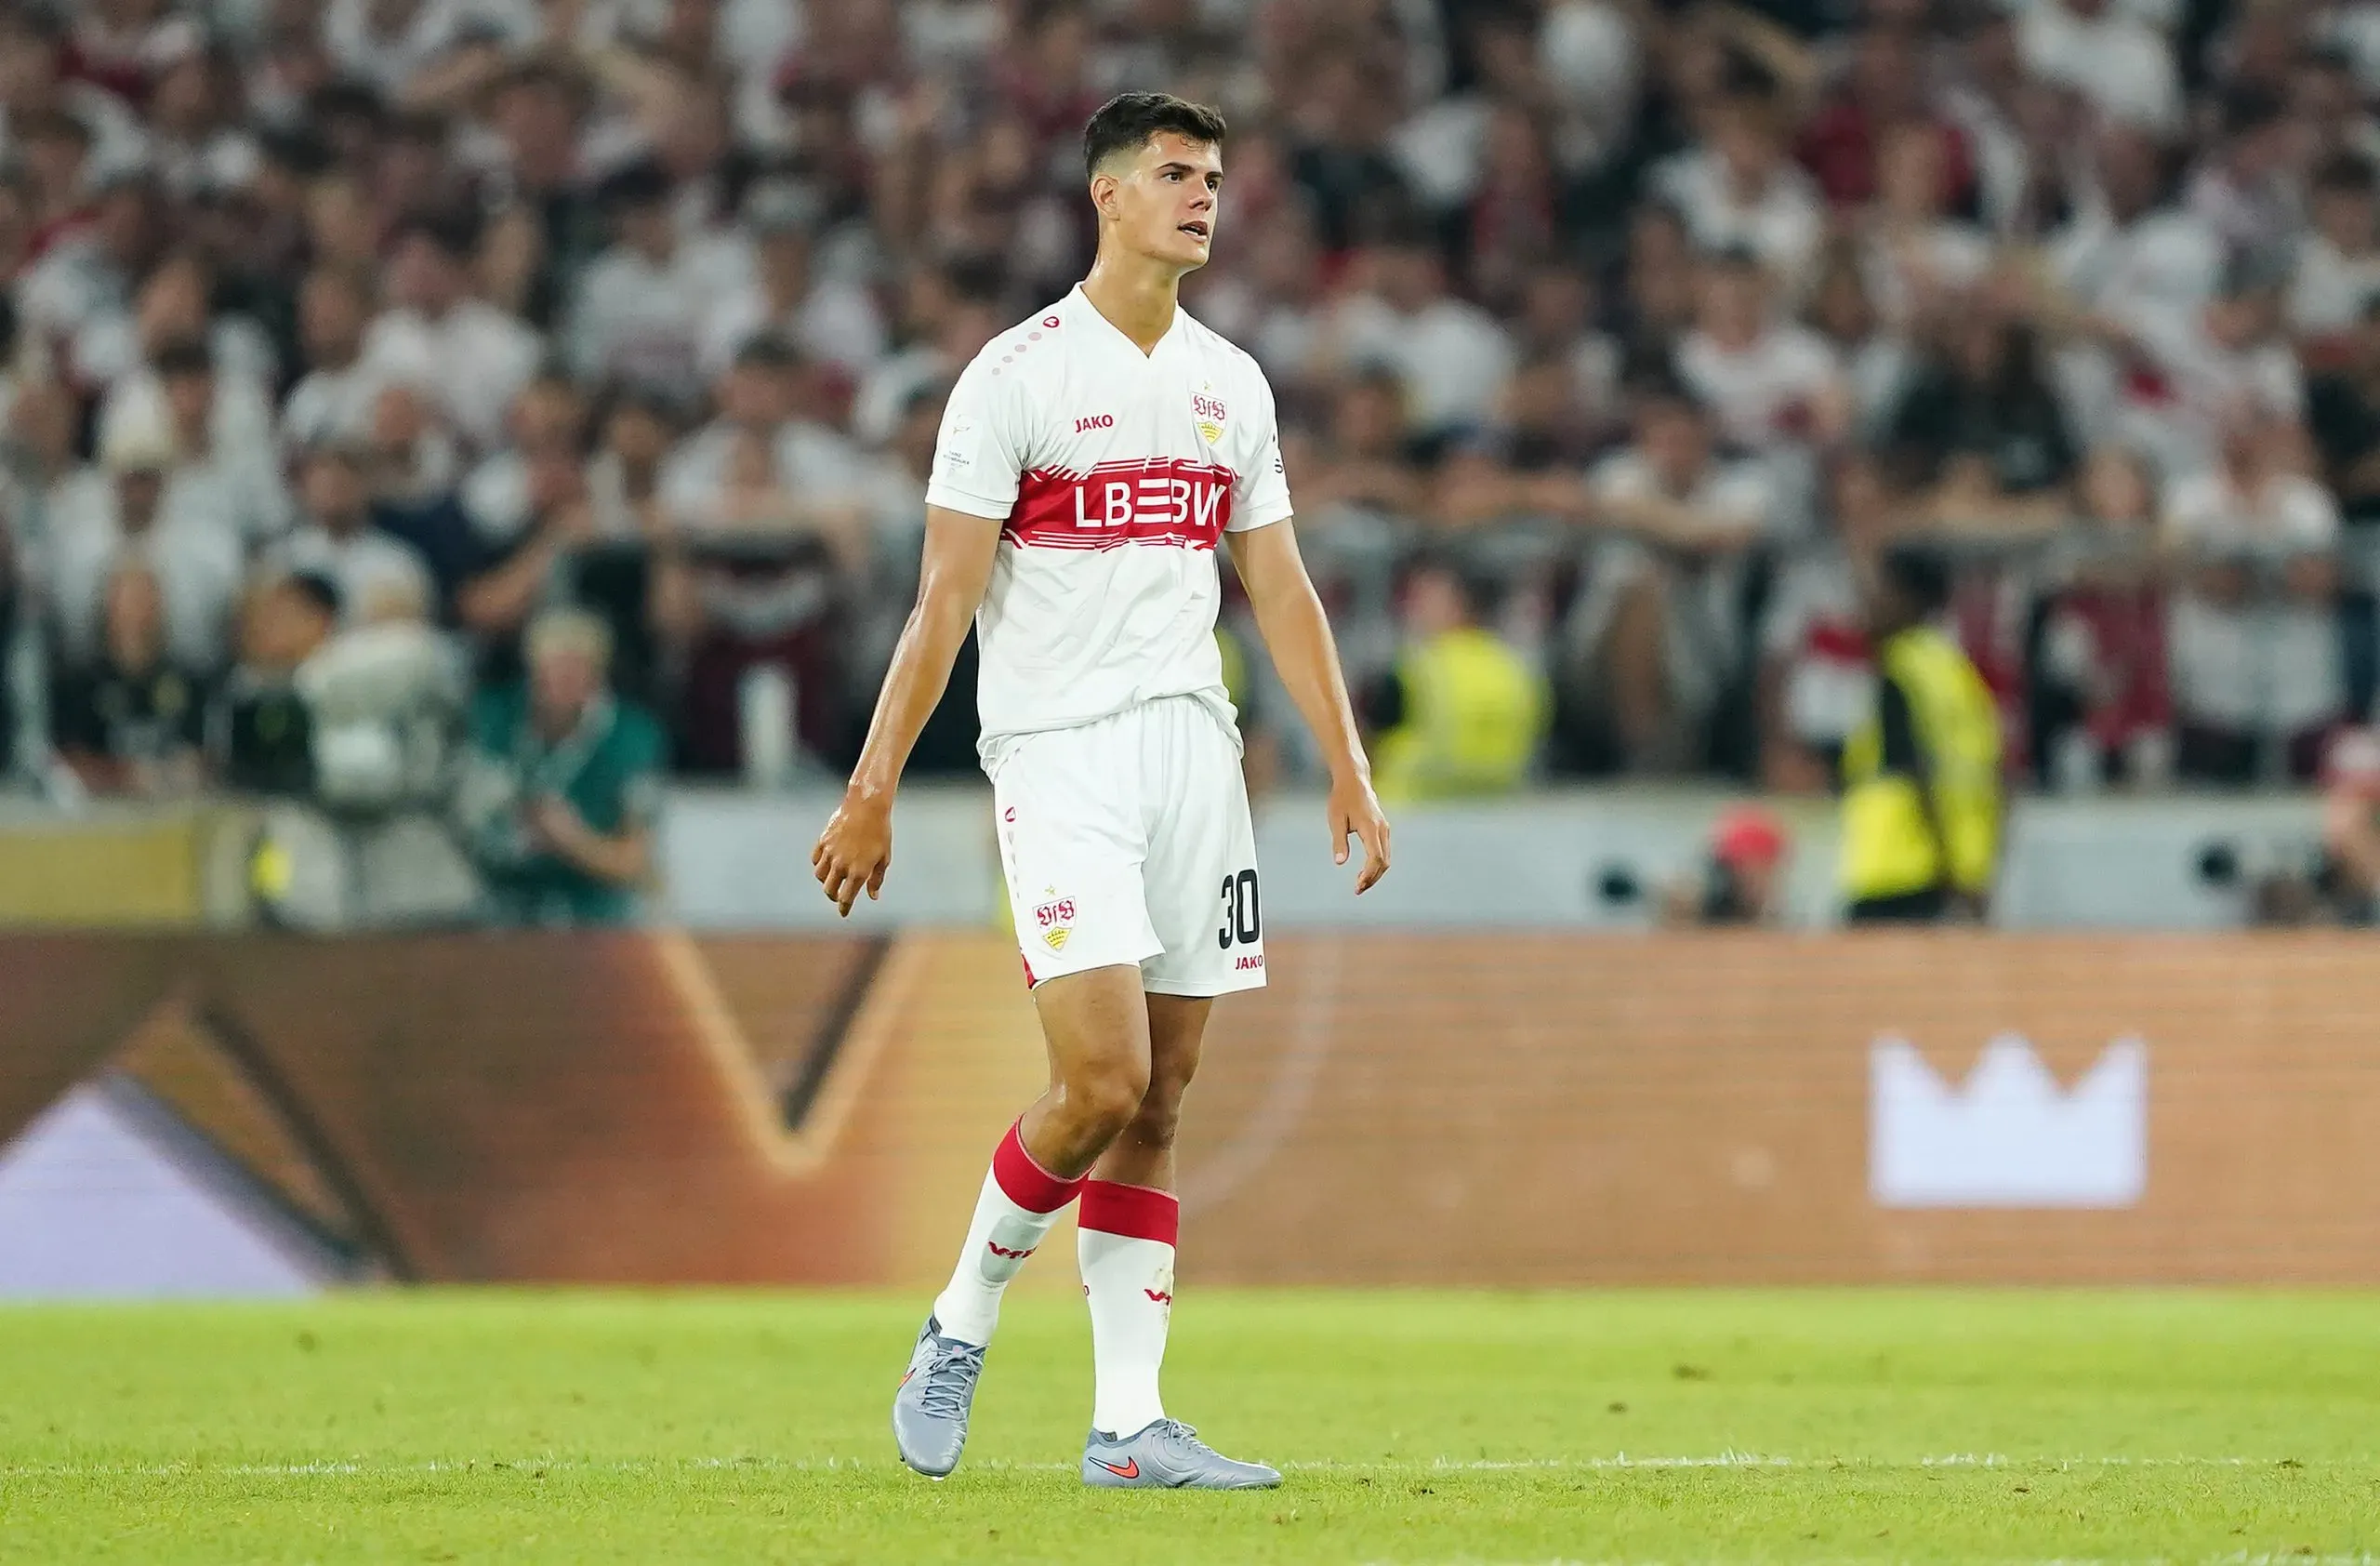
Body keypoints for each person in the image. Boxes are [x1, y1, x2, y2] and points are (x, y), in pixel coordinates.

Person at [810, 93, 1389, 1491]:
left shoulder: (1230, 382)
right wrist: (872, 784)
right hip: (1060, 751)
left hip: (1195, 746)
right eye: (1177, 175)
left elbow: (1282, 589)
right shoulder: (1013, 377)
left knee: (1165, 1091)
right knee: (1099, 1076)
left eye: (1214, 177)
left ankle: (1129, 1426)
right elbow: (942, 600)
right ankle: (960, 1321)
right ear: (1108, 198)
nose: (1203, 196)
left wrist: (1347, 759)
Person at [456, 607, 665, 926]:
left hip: (592, 917)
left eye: (574, 670)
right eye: (550, 669)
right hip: (499, 911)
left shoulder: (632, 737)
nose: (560, 682)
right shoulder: (491, 719)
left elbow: (635, 861)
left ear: (598, 675)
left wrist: (572, 840)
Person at [1838, 542, 2003, 922]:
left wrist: (1947, 866)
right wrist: (1970, 874)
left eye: (1882, 588)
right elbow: (1995, 773)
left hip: (1892, 866)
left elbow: (1915, 770)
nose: (1869, 600)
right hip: (1957, 868)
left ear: (1909, 599)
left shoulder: (1899, 670)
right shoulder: (1957, 672)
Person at [1366, 554, 1546, 801]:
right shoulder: (1517, 670)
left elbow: (1367, 743)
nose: (1413, 611)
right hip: (1497, 811)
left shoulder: (1416, 669)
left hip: (1410, 808)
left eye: (1424, 599)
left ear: (1459, 605)